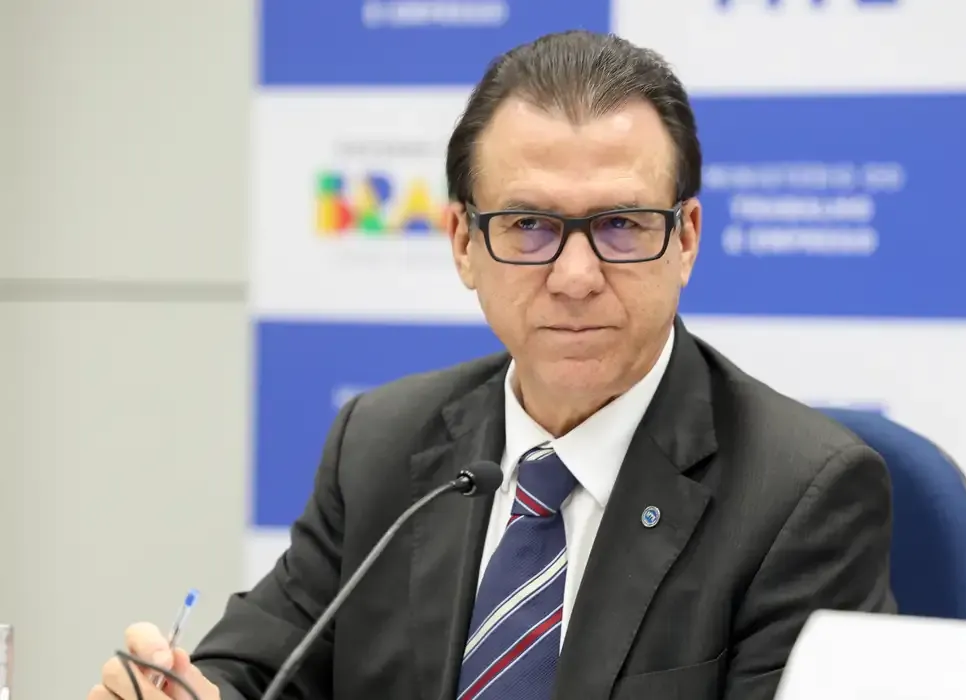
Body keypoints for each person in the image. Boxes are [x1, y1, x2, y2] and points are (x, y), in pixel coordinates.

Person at [91, 29, 896, 700]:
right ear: (463, 245)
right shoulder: (383, 445)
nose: (575, 276)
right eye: (528, 226)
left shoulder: (802, 497)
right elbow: (259, 667)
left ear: (685, 239)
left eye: (621, 225)